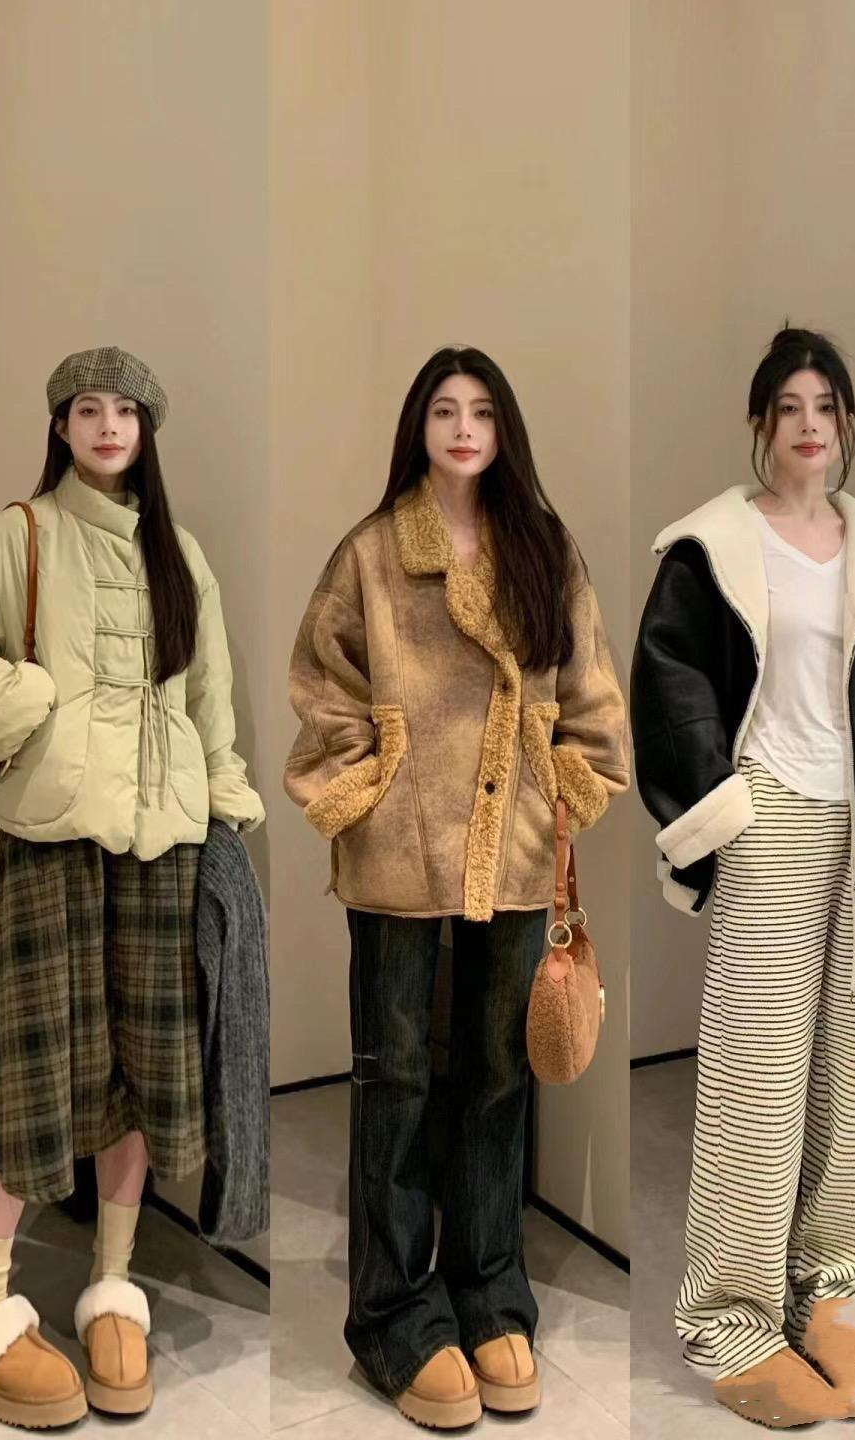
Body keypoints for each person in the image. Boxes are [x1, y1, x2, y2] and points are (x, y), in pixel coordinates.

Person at [630, 326, 855, 1429]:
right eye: (788, 407)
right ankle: (731, 1319)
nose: (809, 425)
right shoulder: (712, 547)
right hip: (771, 815)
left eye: (825, 406)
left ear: (845, 422)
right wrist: (722, 812)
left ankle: (832, 1289)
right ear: (760, 424)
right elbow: (668, 682)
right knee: (758, 1073)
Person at [0, 346, 265, 1429]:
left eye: (127, 411)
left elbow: (211, 700)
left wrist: (222, 799)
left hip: (164, 847)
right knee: (28, 1071)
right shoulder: (19, 534)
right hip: (56, 841)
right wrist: (33, 702)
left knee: (143, 1071)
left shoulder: (180, 555)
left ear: (148, 431)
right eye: (89, 409)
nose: (110, 426)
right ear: (62, 426)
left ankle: (114, 1283)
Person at [284, 345, 629, 1429]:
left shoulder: (544, 548)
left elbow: (591, 691)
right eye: (445, 409)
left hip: (514, 846)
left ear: (503, 429)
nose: (465, 427)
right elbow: (322, 678)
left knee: (494, 1074)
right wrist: (370, 781)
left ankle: (489, 1292)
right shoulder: (374, 550)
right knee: (394, 1077)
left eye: (482, 410)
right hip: (399, 848)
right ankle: (392, 1313)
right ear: (420, 427)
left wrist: (563, 786)